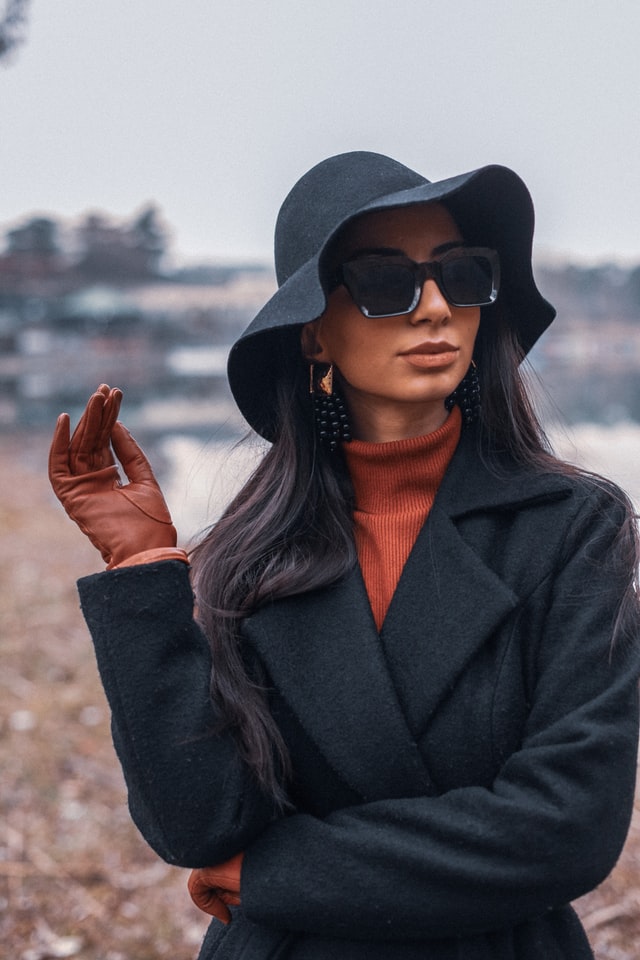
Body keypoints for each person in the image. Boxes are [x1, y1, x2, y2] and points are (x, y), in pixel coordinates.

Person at [48, 151, 640, 960]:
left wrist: (276, 874)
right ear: (314, 334)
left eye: (462, 274)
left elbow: (568, 829)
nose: (435, 307)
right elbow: (201, 825)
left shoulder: (572, 527)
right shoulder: (245, 556)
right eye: (385, 281)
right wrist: (143, 572)